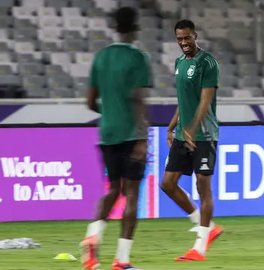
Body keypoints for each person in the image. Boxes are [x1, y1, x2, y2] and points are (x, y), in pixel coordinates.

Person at [81, 7, 151, 270]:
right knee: (132, 195)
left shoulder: (100, 57)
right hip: (131, 133)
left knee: (112, 189)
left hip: (107, 132)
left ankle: (93, 235)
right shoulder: (138, 58)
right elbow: (137, 98)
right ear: (135, 27)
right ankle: (121, 260)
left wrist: (109, 112)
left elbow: (89, 102)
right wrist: (143, 137)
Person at [160, 19, 223, 262]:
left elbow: (205, 100)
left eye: (187, 38)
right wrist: (172, 126)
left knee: (202, 187)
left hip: (204, 135)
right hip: (181, 134)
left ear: (195, 36)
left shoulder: (208, 63)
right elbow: (184, 100)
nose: (184, 43)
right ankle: (205, 225)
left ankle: (200, 248)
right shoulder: (178, 62)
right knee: (167, 184)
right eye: (179, 39)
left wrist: (192, 129)